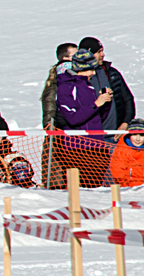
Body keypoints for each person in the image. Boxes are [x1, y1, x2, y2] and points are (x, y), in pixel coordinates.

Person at [54, 49, 111, 188]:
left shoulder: (89, 86)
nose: (93, 73)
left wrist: (105, 103)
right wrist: (96, 104)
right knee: (80, 191)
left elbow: (98, 117)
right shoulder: (66, 88)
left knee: (96, 190)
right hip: (78, 149)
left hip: (97, 147)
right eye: (90, 69)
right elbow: (73, 119)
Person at [78, 37, 135, 133]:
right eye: (99, 52)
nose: (102, 55)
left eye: (102, 51)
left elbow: (128, 99)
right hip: (90, 137)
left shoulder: (111, 73)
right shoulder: (77, 77)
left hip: (114, 135)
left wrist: (125, 123)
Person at [41, 43, 77, 190]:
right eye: (74, 56)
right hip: (58, 137)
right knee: (58, 173)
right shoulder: (55, 86)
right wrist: (53, 130)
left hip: (72, 135)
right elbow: (49, 114)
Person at [110, 118, 144, 188]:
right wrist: (126, 187)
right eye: (134, 135)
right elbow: (118, 173)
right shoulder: (122, 151)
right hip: (128, 189)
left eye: (141, 135)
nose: (138, 139)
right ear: (129, 135)